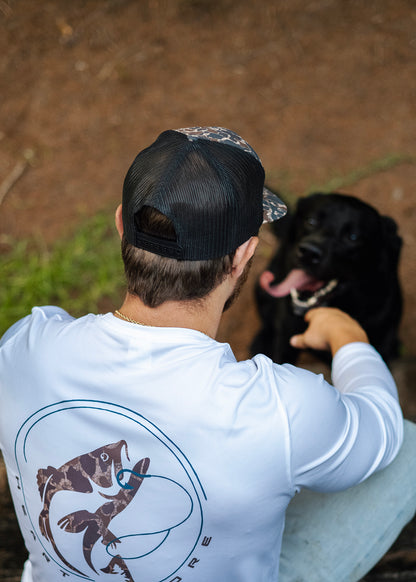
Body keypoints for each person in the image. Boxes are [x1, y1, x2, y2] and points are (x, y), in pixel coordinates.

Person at [0, 126, 415, 582]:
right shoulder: (279, 408)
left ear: (121, 224)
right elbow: (382, 429)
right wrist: (349, 339)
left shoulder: (24, 347)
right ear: (243, 256)